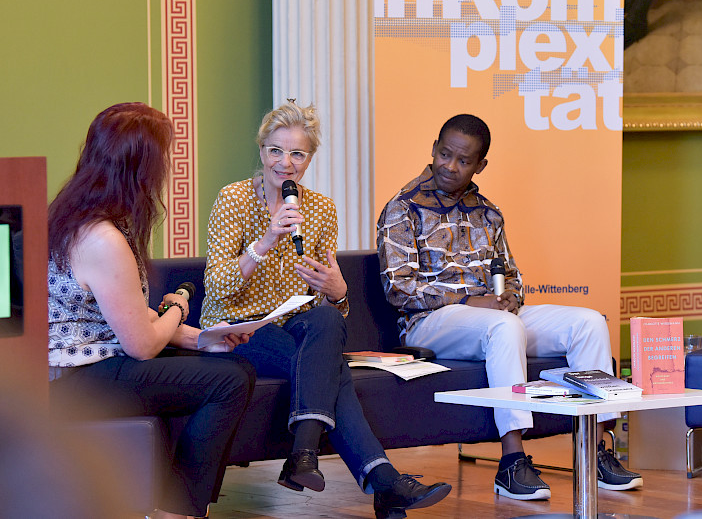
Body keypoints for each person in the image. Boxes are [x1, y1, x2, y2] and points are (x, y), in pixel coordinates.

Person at [202, 100, 451, 519]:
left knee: (327, 317)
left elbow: (327, 308)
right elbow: (219, 287)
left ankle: (305, 457)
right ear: (262, 151)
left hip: (295, 322)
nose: (285, 163)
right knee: (331, 372)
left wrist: (338, 291)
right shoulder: (233, 199)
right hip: (239, 327)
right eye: (276, 150)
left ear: (309, 159)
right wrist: (264, 241)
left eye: (297, 153)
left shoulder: (321, 210)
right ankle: (380, 481)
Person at [376, 113, 642, 502]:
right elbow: (399, 289)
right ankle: (512, 462)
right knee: (504, 328)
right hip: (430, 322)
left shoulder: (488, 212)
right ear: (433, 150)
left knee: (588, 322)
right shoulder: (403, 209)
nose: (450, 166)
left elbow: (512, 276)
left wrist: (508, 298)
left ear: (480, 165)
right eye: (445, 154)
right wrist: (470, 300)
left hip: (491, 317)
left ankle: (596, 451)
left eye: (463, 160)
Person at [47, 102, 256, 519]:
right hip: (77, 380)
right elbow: (142, 345)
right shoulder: (101, 237)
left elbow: (129, 317)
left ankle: (173, 504)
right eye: (164, 157)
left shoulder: (91, 218)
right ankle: (177, 510)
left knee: (232, 366)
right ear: (139, 166)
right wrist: (178, 308)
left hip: (97, 362)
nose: (168, 168)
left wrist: (202, 338)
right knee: (230, 382)